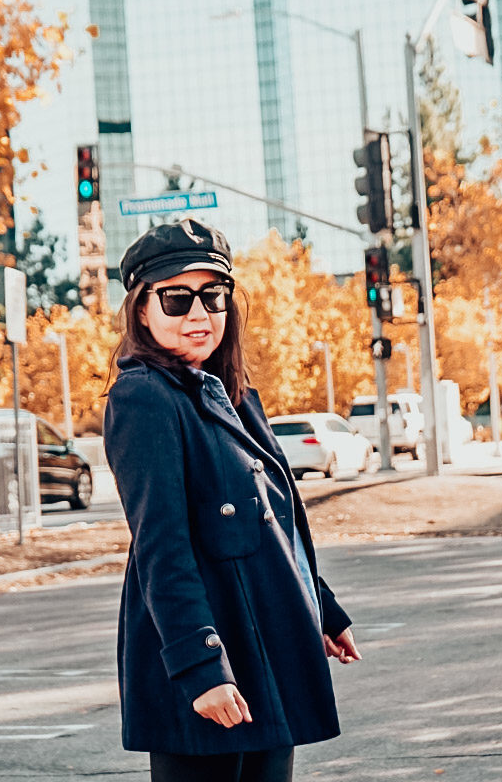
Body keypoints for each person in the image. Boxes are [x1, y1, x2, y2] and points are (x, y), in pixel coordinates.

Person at [103, 218, 361, 782]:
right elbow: (162, 548)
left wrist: (320, 606)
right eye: (175, 298)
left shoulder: (231, 395)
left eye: (213, 296)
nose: (199, 314)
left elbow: (275, 525)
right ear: (141, 310)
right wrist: (201, 668)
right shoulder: (145, 398)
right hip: (211, 654)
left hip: (261, 642)